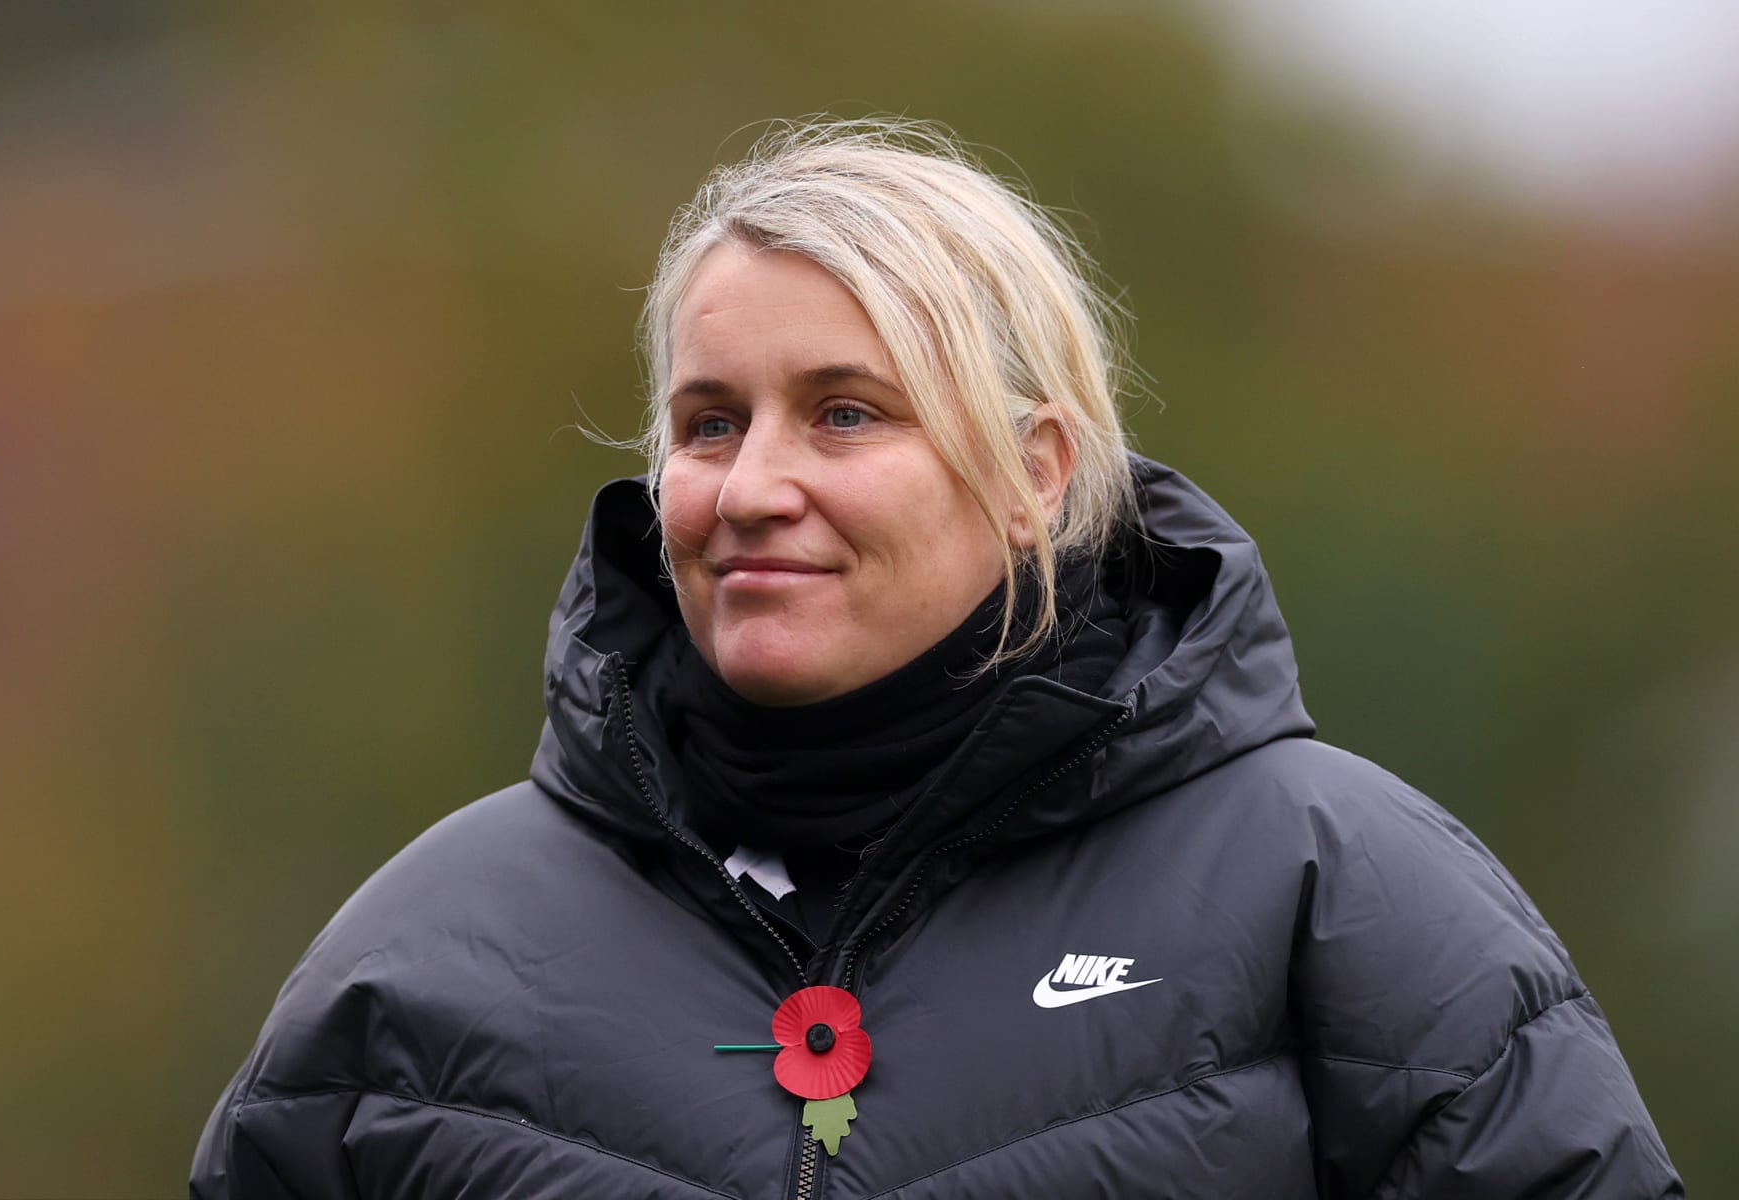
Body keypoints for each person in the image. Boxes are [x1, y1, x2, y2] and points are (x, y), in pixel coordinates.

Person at [191, 120, 1682, 1198]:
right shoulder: (416, 959)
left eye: (845, 412)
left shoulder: (1337, 889)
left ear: (1038, 471)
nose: (754, 483)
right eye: (711, 422)